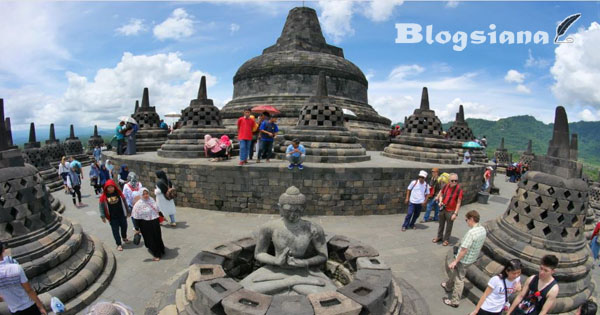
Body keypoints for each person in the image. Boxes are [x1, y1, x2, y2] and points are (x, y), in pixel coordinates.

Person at [442, 210, 486, 308]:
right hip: (472, 257)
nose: (466, 222)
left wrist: (455, 261)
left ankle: (455, 301)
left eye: (466, 220)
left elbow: (464, 249)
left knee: (459, 279)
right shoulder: (482, 229)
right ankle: (448, 286)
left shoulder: (471, 233)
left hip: (464, 259)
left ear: (471, 219)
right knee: (456, 272)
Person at [0, 242, 47, 315]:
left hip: (14, 310)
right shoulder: (15, 267)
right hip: (29, 306)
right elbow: (29, 290)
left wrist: (8, 297)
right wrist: (40, 306)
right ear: (3, 250)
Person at [132, 188, 166, 261]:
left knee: (157, 236)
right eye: (143, 194)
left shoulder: (151, 200)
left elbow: (157, 209)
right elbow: (135, 216)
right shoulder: (138, 204)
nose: (145, 195)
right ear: (141, 195)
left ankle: (159, 252)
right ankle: (156, 252)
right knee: (150, 239)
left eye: (146, 193)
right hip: (145, 224)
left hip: (154, 221)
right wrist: (136, 228)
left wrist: (162, 216)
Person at [99, 179, 130, 251]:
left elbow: (125, 203)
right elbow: (101, 207)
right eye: (109, 187)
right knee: (115, 231)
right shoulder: (103, 197)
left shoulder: (119, 194)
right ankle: (118, 244)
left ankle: (124, 237)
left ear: (114, 187)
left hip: (121, 215)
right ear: (106, 188)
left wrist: (128, 211)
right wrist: (103, 216)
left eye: (112, 187)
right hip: (112, 217)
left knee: (124, 226)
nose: (110, 188)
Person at [433, 173, 464, 246]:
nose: (454, 182)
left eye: (456, 181)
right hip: (443, 208)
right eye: (452, 181)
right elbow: (441, 194)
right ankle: (439, 237)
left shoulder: (459, 189)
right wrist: (440, 201)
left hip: (451, 211)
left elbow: (459, 203)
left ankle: (446, 239)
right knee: (441, 224)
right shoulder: (445, 186)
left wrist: (455, 213)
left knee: (449, 226)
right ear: (449, 180)